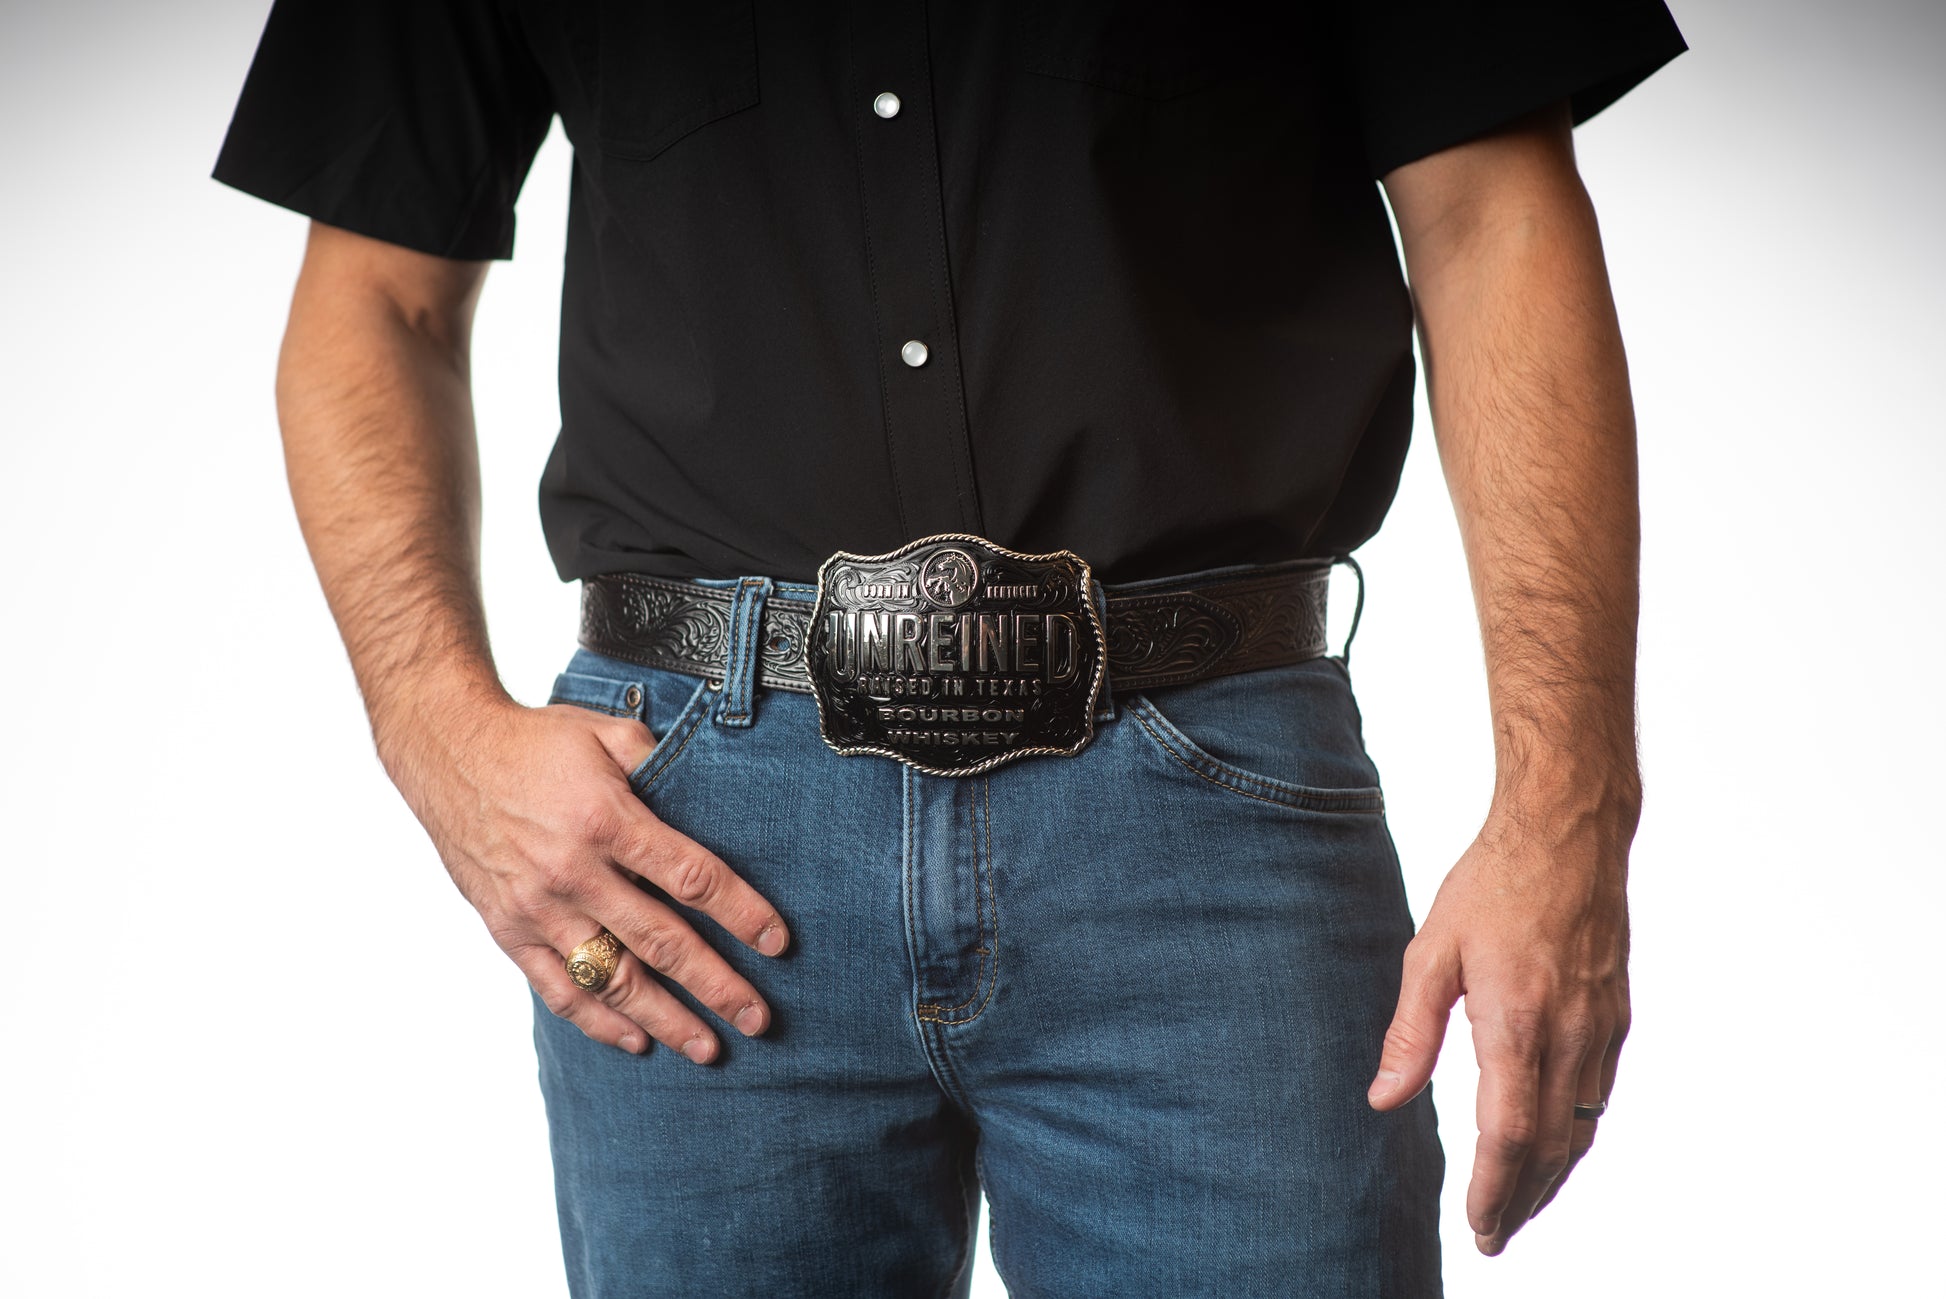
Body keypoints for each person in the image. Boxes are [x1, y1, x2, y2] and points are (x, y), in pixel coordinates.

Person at [214, 3, 1685, 1294]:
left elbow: (1492, 215)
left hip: (1206, 820)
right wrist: (435, 728)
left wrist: (1566, 813)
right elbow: (377, 294)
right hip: (685, 838)